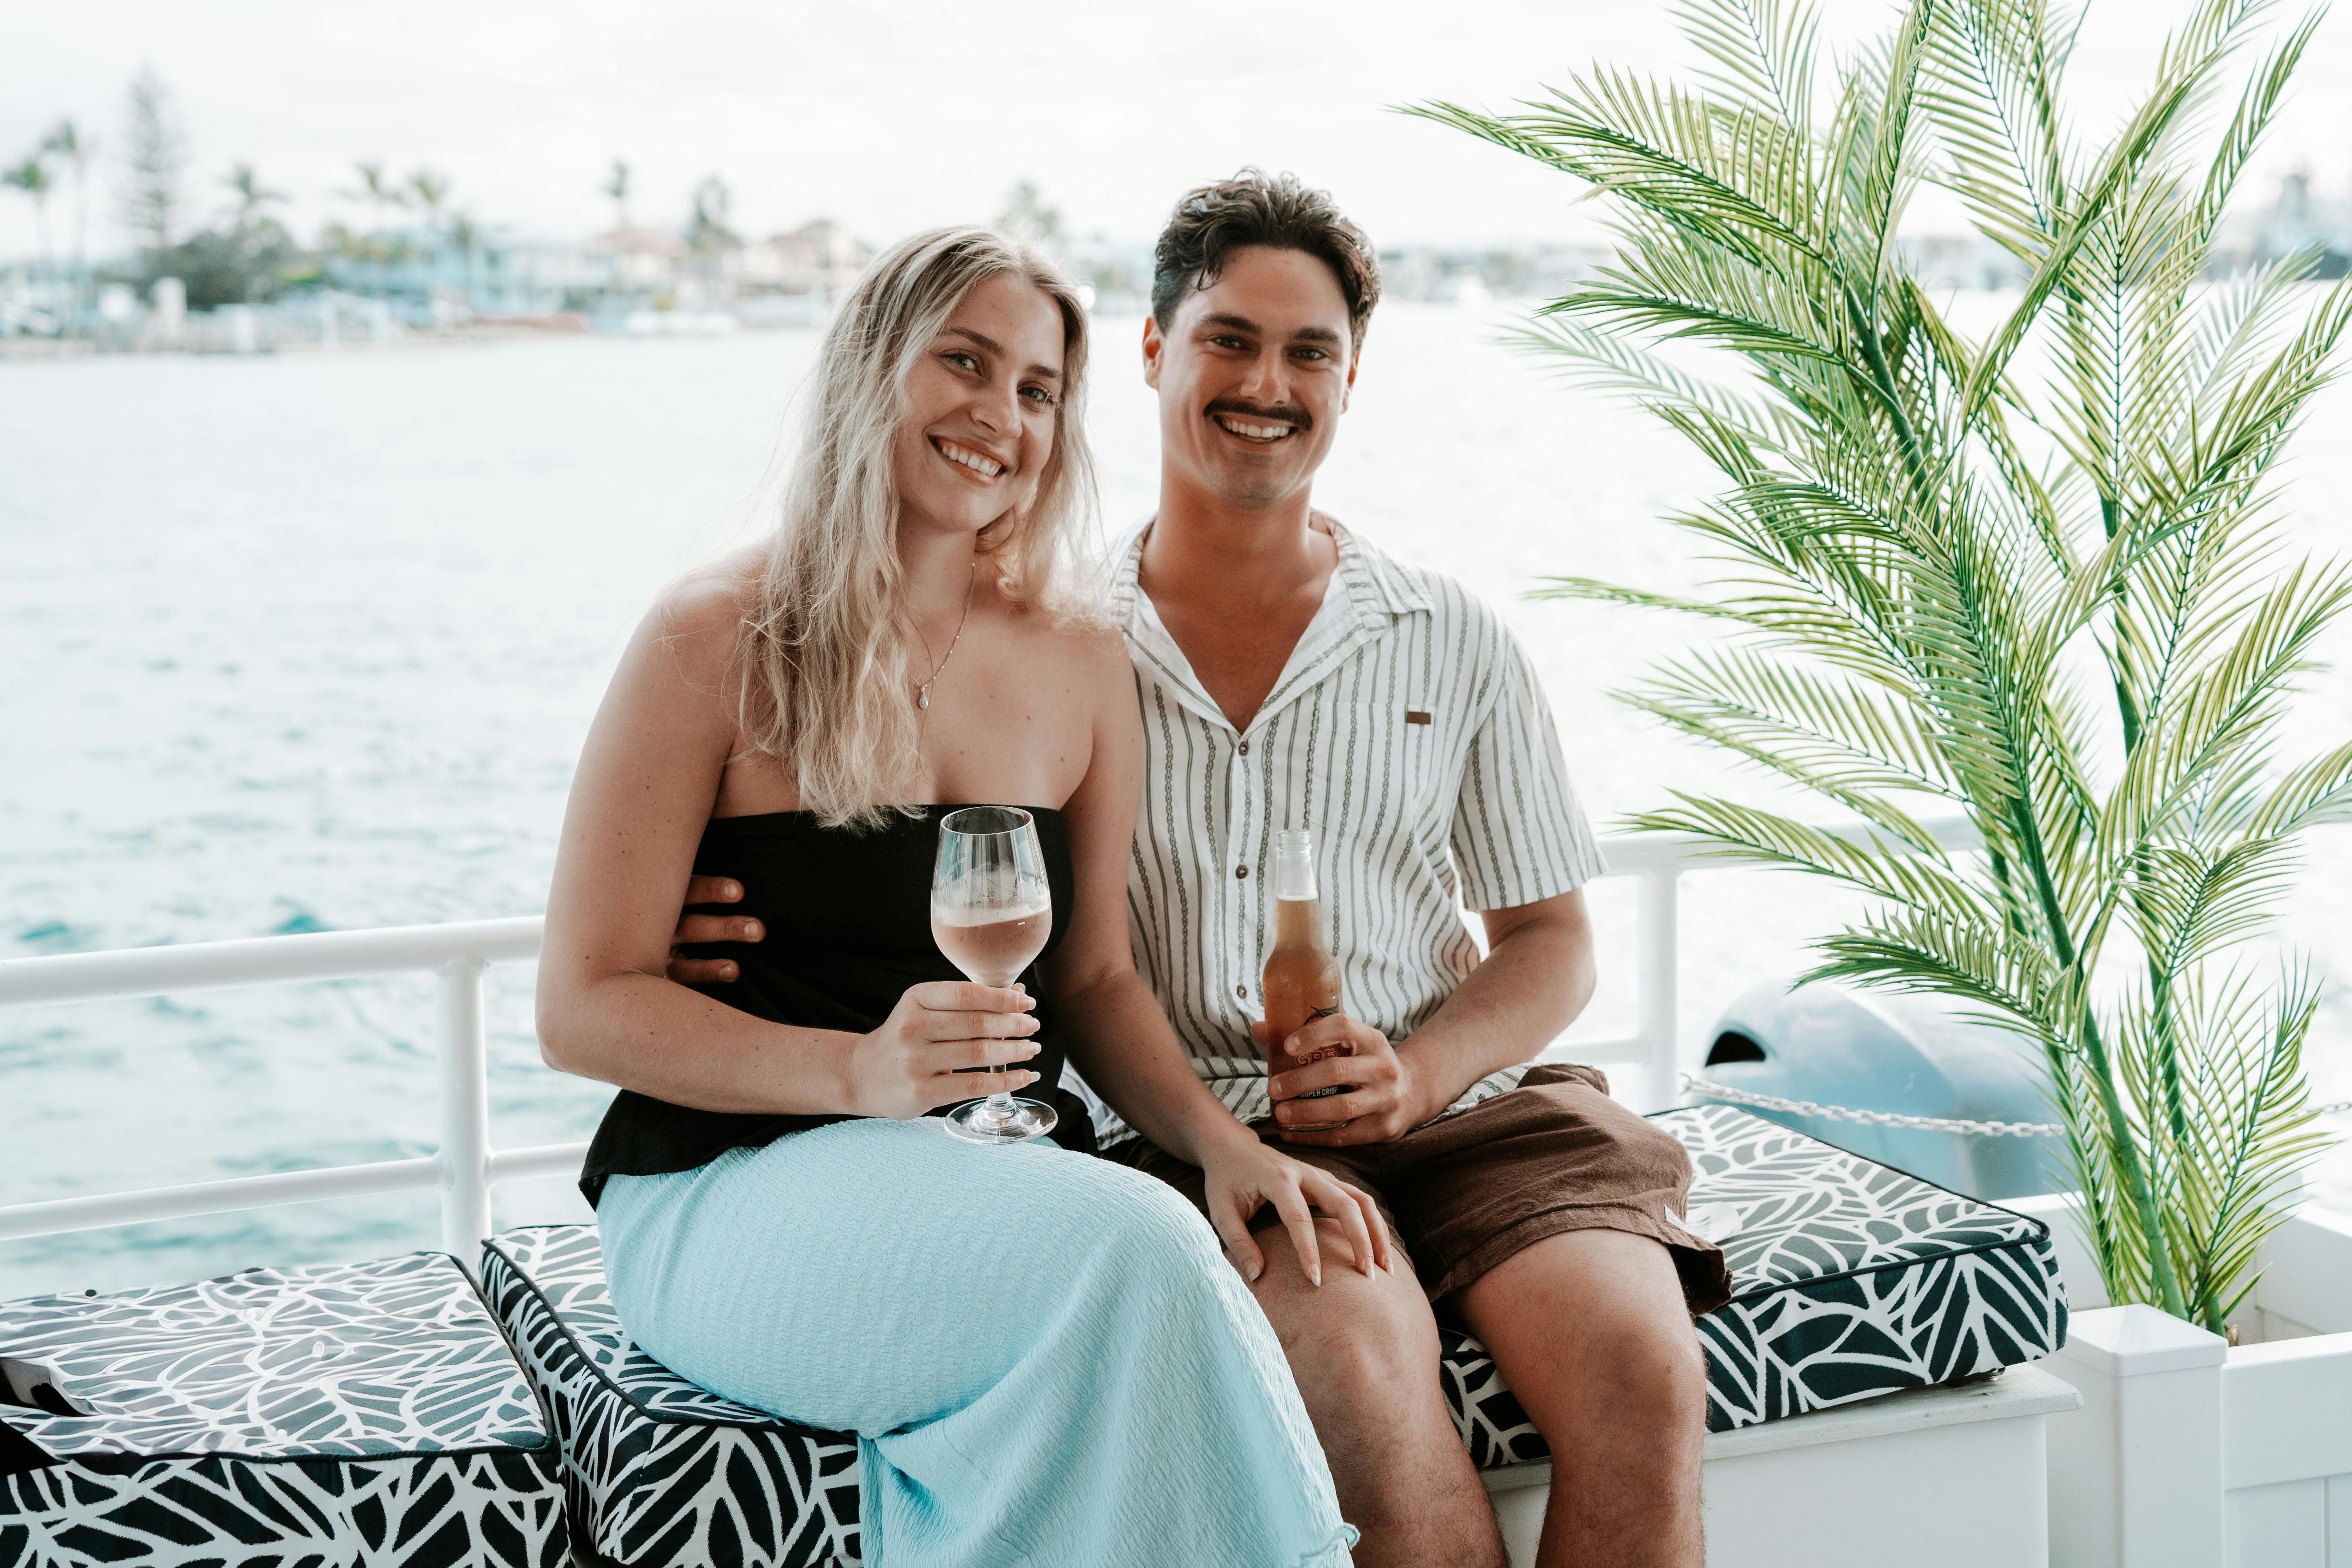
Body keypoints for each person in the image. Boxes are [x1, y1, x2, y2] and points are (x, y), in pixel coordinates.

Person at [675, 176, 1735, 1568]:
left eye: (1310, 352)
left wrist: (1417, 1074)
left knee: (1643, 1373)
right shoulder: (1058, 640)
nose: (1267, 384)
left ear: (1352, 379)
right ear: (1154, 351)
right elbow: (882, 793)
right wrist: (720, 908)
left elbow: (1553, 941)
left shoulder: (1452, 634)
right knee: (1363, 1391)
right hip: (1192, 1136)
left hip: (1473, 1117)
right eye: (1230, 339)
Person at [536, 225, 1373, 1568]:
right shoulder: (716, 633)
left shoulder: (1081, 657)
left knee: (1142, 1262)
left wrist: (1226, 1147)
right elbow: (581, 1008)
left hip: (991, 1174)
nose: (1002, 415)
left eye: (1039, 390)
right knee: (1140, 1249)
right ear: (875, 366)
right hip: (730, 1184)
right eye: (966, 363)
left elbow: (1093, 978)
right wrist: (858, 1072)